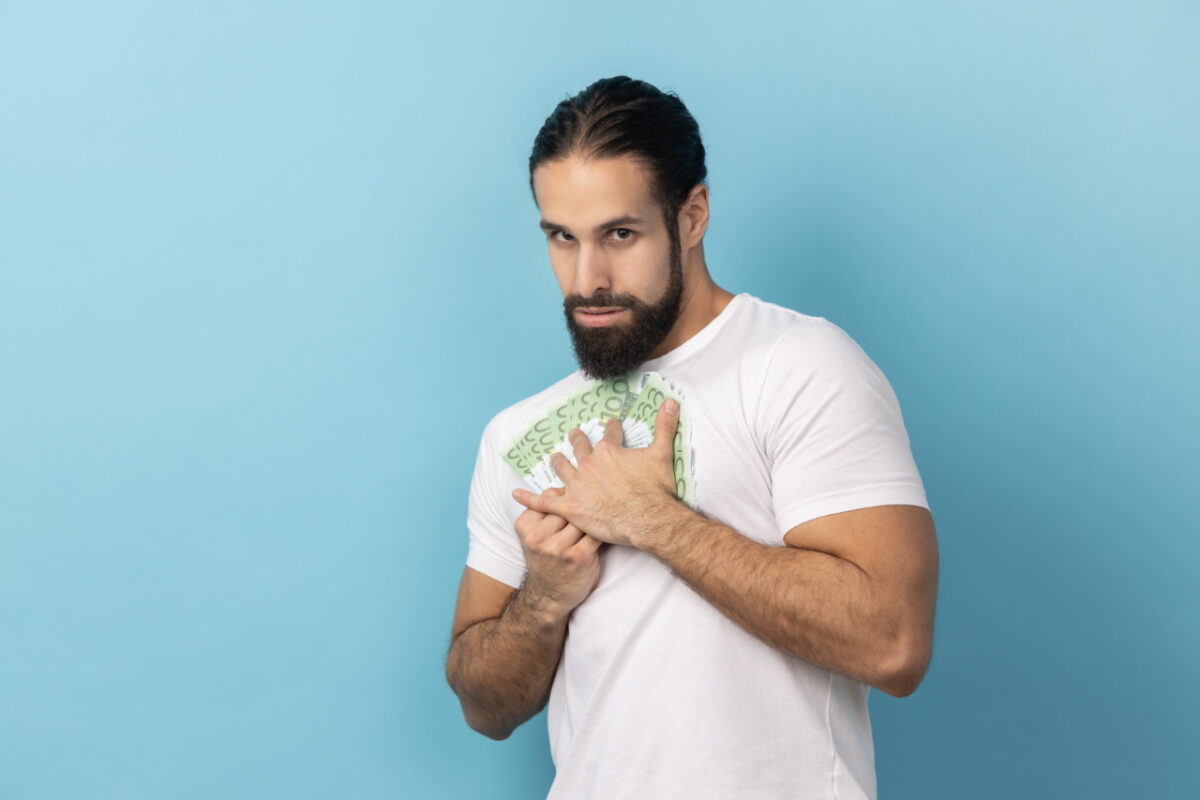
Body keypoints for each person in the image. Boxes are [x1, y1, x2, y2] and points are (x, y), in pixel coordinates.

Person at [444, 75, 939, 800]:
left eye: (620, 233)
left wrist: (654, 521)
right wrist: (544, 598)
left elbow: (893, 643)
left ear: (693, 215)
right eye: (562, 237)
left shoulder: (800, 366)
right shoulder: (514, 435)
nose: (588, 279)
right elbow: (483, 707)